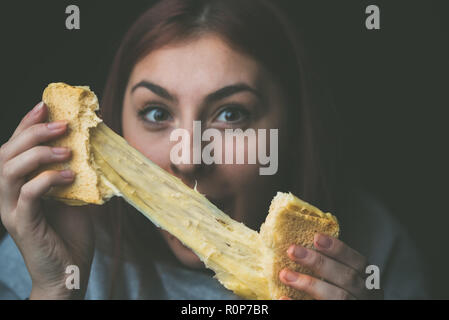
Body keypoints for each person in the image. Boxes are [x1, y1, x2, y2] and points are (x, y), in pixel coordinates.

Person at [0, 0, 431, 299]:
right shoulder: (45, 252)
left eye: (231, 116)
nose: (189, 158)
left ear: (293, 130)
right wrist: (57, 291)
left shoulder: (378, 251)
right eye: (155, 113)